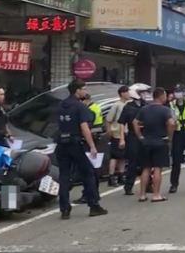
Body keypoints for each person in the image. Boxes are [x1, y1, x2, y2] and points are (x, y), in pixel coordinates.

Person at [53, 80, 107, 219]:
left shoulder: (60, 105)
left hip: (62, 144)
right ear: (77, 90)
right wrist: (92, 146)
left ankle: (64, 209)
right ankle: (94, 205)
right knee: (87, 174)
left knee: (64, 176)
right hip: (76, 144)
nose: (85, 91)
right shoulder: (80, 107)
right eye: (83, 88)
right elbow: (84, 128)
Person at [134, 87, 174, 202]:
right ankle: (156, 194)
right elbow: (171, 123)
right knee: (157, 168)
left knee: (146, 168)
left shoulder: (144, 109)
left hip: (146, 141)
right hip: (160, 141)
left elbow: (135, 122)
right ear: (161, 96)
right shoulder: (165, 110)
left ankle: (142, 195)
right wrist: (169, 137)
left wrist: (140, 136)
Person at [121, 83, 151, 196]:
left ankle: (148, 185)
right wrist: (122, 139)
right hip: (133, 137)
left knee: (147, 162)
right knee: (133, 163)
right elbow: (121, 123)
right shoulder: (128, 107)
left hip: (146, 136)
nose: (145, 94)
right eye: (142, 92)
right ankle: (128, 186)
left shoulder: (146, 105)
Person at [104, 86, 129, 187]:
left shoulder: (126, 105)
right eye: (126, 92)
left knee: (123, 157)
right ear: (122, 93)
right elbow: (109, 119)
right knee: (115, 156)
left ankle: (120, 175)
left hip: (125, 132)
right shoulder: (117, 105)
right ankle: (111, 176)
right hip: (116, 133)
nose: (128, 94)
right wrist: (109, 130)